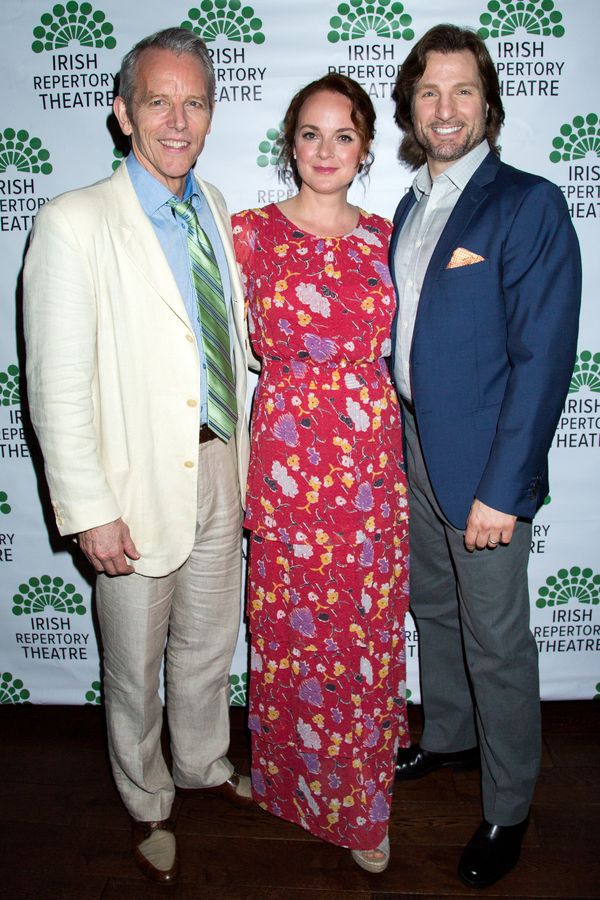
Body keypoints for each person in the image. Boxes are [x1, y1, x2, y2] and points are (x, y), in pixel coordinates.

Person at [23, 27, 252, 885]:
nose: (178, 120)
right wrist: (88, 508)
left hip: (222, 460)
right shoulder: (73, 221)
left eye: (195, 101)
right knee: (134, 660)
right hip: (129, 485)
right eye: (159, 100)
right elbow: (57, 384)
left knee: (206, 641)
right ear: (123, 114)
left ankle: (200, 760)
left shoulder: (216, 209)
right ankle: (148, 794)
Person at [389, 24, 581, 889]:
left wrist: (505, 491)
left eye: (463, 90)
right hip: (416, 447)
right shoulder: (410, 205)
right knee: (434, 609)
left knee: (497, 641)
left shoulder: (527, 202)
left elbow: (543, 359)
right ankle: (452, 740)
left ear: (490, 103)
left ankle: (508, 805)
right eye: (429, 91)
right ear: (410, 107)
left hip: (488, 471)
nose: (446, 108)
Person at [232, 73, 410, 874]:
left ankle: (364, 808)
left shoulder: (389, 237)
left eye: (344, 135)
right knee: (288, 629)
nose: (327, 150)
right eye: (311, 133)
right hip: (285, 465)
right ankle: (286, 784)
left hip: (369, 465)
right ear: (290, 143)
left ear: (367, 147)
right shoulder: (246, 235)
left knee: (362, 637)